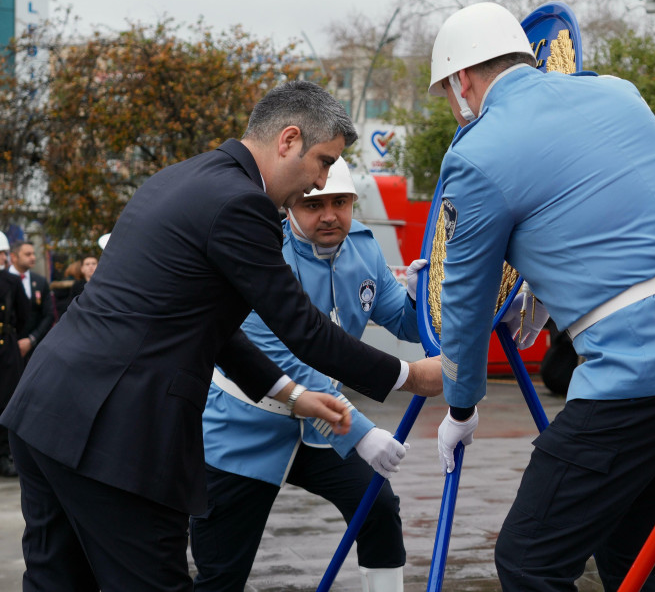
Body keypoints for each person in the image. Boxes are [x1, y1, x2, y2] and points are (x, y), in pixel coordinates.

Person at [0, 80, 442, 592]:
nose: (320, 179)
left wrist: (291, 396)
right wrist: (408, 375)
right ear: (288, 139)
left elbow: (214, 328)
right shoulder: (242, 204)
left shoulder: (183, 178)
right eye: (322, 161)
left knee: (58, 583)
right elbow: (300, 328)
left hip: (45, 409)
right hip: (115, 432)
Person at [428, 3, 655, 591]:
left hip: (631, 374)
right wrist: (543, 283)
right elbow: (617, 212)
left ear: (461, 82)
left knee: (529, 559)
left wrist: (460, 405)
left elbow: (464, 302)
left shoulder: (476, 154)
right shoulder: (618, 93)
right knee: (638, 559)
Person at [191, 157, 423, 592]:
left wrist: (417, 299)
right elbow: (283, 360)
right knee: (222, 571)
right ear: (291, 206)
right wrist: (361, 432)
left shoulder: (364, 247)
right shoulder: (263, 251)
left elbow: (405, 325)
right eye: (314, 204)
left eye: (340, 202)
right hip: (246, 424)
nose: (330, 215)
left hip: (320, 431)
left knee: (377, 507)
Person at [0, 233, 29, 477]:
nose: (2, 257)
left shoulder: (12, 281)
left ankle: (5, 454)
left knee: (6, 400)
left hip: (5, 348)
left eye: (3, 253)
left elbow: (23, 316)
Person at [7, 241, 53, 362]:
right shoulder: (3, 280)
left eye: (33, 254)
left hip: (34, 350)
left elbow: (48, 315)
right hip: (6, 349)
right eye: (28, 254)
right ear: (13, 257)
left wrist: (32, 339)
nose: (33, 257)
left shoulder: (40, 282)